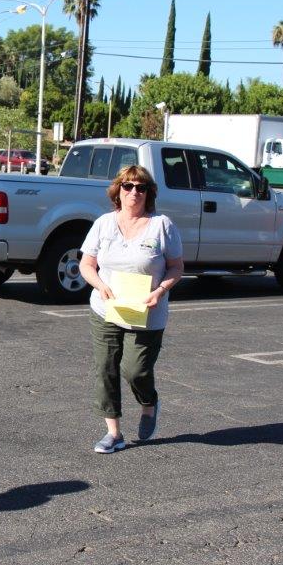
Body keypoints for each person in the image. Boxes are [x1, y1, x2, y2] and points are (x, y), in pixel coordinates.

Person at [79, 165, 184, 454]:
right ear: (118, 190)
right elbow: (86, 264)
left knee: (135, 371)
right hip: (106, 309)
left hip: (146, 311)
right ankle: (113, 433)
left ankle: (149, 403)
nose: (134, 192)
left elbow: (176, 267)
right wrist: (100, 285)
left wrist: (160, 291)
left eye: (141, 187)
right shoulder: (104, 224)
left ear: (149, 193)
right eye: (128, 186)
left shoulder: (162, 225)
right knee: (105, 368)